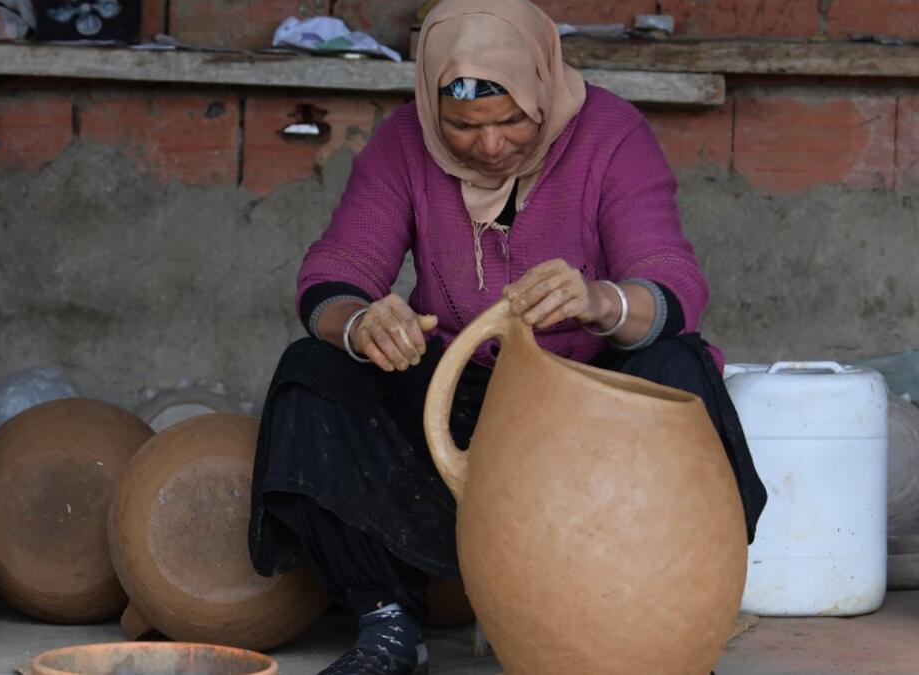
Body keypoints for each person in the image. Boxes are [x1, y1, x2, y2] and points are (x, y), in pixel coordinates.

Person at [248, 1, 767, 673]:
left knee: (678, 365)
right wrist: (360, 323)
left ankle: (666, 616)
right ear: (435, 108)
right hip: (464, 402)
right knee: (314, 368)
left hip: (589, 411)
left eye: (512, 120)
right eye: (464, 126)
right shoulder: (404, 144)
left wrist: (600, 300)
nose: (491, 146)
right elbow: (334, 274)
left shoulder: (610, 135)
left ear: (543, 90)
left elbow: (672, 282)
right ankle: (386, 620)